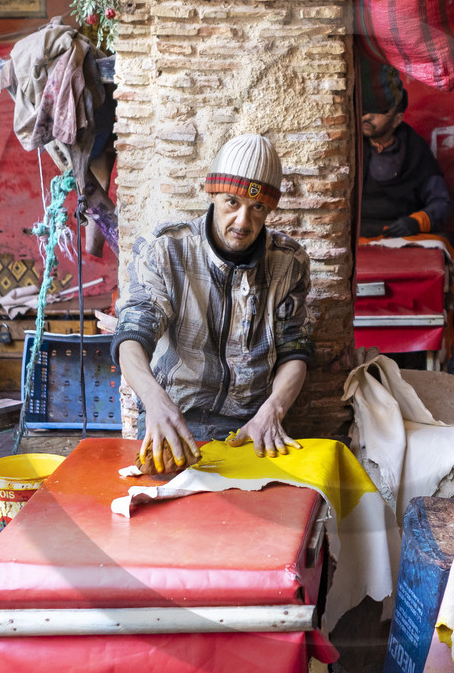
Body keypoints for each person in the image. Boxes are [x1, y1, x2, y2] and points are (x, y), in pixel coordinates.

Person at [112, 133, 314, 471]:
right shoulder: (165, 251)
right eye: (232, 202)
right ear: (213, 194)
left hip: (252, 425)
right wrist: (156, 402)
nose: (242, 222)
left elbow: (296, 349)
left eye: (258, 208)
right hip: (173, 417)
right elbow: (132, 337)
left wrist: (273, 411)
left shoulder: (288, 262)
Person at [358, 57, 451, 238]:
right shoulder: (349, 147)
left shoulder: (415, 150)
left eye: (380, 112)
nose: (367, 117)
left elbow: (441, 202)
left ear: (398, 119)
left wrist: (416, 222)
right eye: (366, 109)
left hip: (400, 237)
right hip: (357, 239)